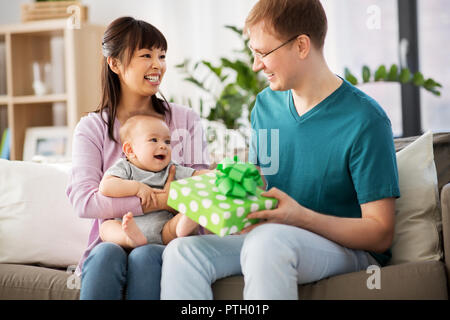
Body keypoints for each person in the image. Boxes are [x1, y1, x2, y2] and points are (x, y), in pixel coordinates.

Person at [160, 0, 400, 300]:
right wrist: (216, 192)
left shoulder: (365, 119)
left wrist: (299, 217)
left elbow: (380, 232)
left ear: (301, 46)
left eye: (263, 53)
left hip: (347, 251)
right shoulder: (266, 106)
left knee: (268, 241)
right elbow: (260, 187)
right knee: (182, 252)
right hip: (274, 236)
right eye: (253, 53)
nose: (256, 65)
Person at [66, 16, 210, 300]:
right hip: (112, 237)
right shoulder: (92, 128)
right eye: (146, 55)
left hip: (170, 239)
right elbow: (84, 200)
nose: (157, 65)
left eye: (162, 55)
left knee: (146, 257)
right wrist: (158, 200)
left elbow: (203, 187)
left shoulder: (186, 119)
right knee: (106, 253)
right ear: (115, 64)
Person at [99, 113, 210, 249]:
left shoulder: (171, 168)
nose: (163, 146)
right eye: (153, 140)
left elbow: (196, 175)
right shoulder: (125, 167)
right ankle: (130, 239)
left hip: (164, 229)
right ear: (130, 150)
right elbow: (106, 186)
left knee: (175, 224)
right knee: (106, 227)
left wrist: (216, 174)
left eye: (167, 141)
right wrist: (137, 187)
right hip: (129, 225)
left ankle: (186, 220)